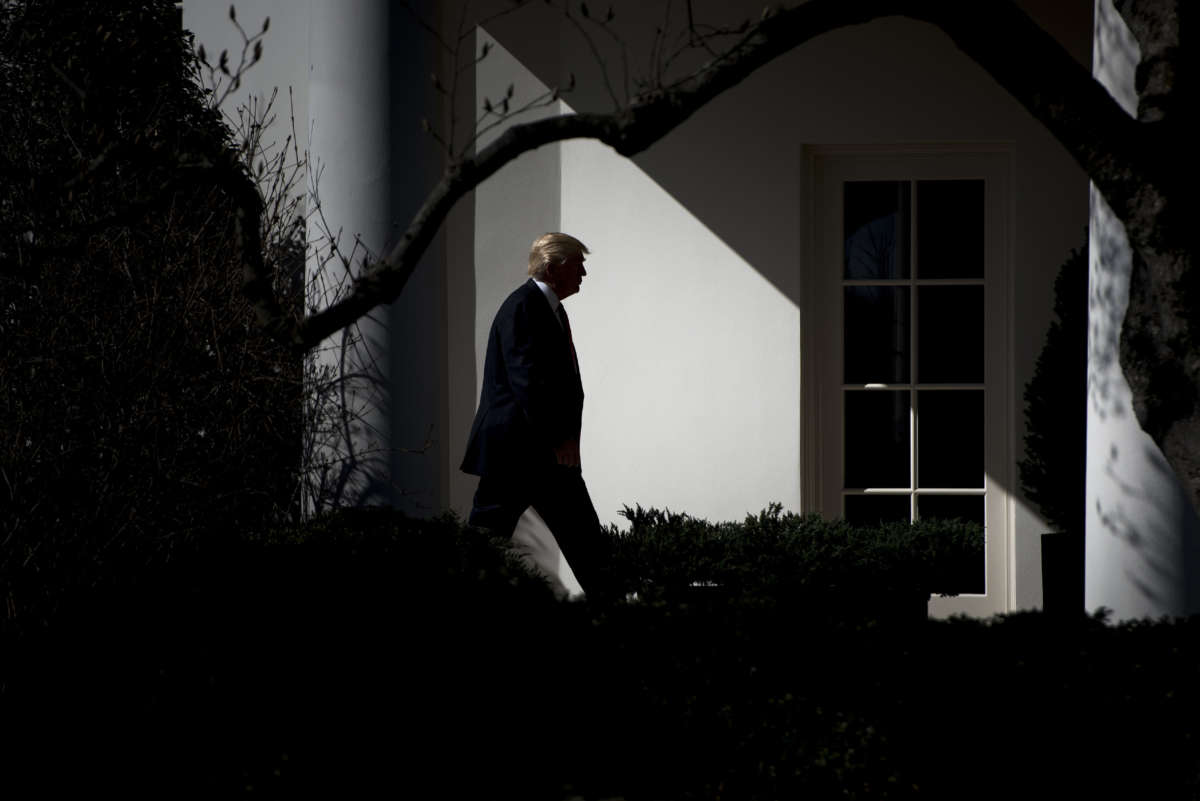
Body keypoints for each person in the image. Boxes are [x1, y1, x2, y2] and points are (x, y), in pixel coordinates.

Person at [461, 233, 610, 598]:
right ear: (552, 267)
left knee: (586, 542)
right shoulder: (523, 307)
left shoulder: (546, 308)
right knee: (485, 543)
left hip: (541, 454)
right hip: (517, 454)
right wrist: (559, 438)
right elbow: (527, 381)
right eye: (577, 263)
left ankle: (614, 612)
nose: (584, 272)